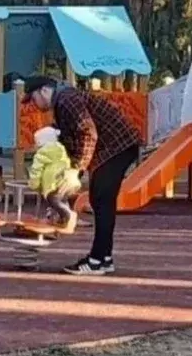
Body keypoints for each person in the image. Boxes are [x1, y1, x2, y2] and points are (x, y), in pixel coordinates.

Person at [23, 76, 141, 275]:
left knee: (101, 200)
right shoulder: (64, 101)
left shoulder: (66, 100)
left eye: (33, 98)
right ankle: (104, 257)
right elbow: (72, 135)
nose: (34, 104)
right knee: (101, 201)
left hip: (117, 147)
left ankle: (96, 260)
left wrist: (77, 169)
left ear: (44, 91)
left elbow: (88, 132)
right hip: (116, 148)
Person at [27, 126, 80, 233]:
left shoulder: (42, 153)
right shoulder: (61, 148)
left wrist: (34, 183)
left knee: (54, 200)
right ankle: (62, 220)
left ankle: (69, 215)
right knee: (63, 200)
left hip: (55, 183)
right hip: (69, 180)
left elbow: (36, 170)